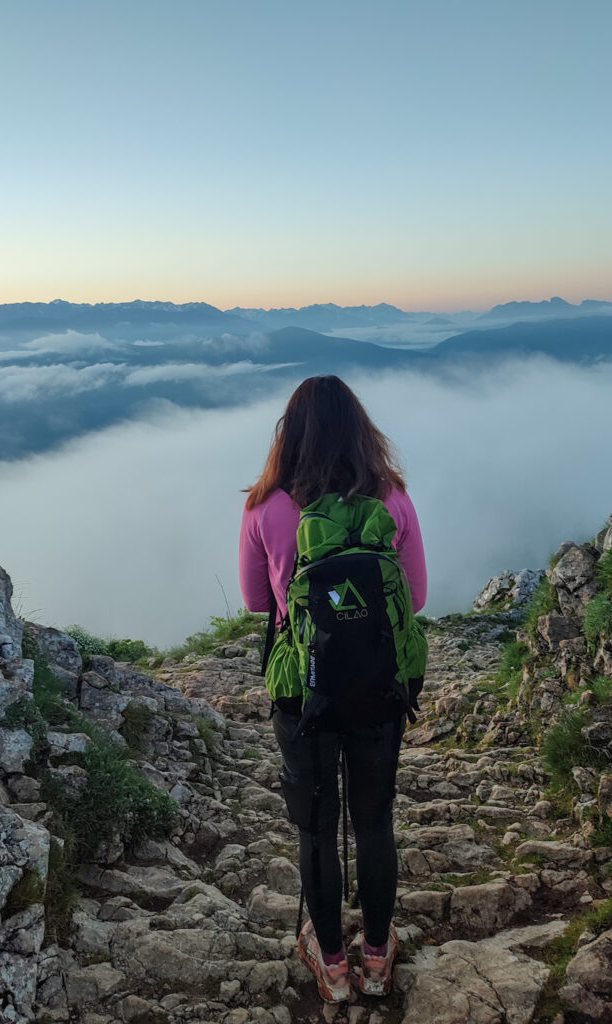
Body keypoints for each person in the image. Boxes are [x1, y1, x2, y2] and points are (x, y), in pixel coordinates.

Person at [238, 375, 427, 1002]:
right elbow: (417, 598)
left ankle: (334, 968)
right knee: (374, 823)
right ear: (361, 430)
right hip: (378, 687)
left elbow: (256, 601)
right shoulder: (391, 500)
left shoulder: (266, 507)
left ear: (287, 437)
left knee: (316, 830)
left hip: (303, 694)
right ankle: (378, 959)